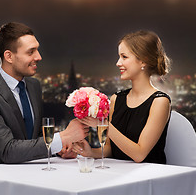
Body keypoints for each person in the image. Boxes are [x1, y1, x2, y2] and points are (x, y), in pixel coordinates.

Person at [0, 22, 87, 166]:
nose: (39, 57)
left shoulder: (33, 86)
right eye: (31, 52)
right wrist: (63, 137)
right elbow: (8, 151)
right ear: (9, 57)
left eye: (37, 50)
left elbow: (33, 138)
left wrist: (57, 149)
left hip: (29, 172)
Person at [73, 30, 171, 164]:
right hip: (120, 173)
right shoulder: (116, 99)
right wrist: (91, 152)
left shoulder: (160, 102)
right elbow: (109, 149)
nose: (118, 63)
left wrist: (103, 125)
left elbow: (139, 154)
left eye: (124, 57)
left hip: (148, 177)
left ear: (143, 61)